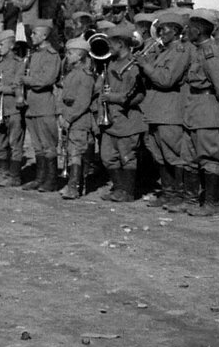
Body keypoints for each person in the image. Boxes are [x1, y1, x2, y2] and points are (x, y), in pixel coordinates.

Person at [136, 11, 190, 209]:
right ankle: (168, 192)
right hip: (156, 109)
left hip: (170, 110)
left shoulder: (180, 52)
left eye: (164, 29)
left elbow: (166, 80)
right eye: (159, 29)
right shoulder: (162, 51)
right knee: (159, 154)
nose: (160, 33)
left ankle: (181, 194)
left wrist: (146, 66)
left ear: (176, 31)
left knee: (174, 154)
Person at [182, 9, 219, 216]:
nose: (187, 31)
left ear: (198, 30)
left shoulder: (210, 54)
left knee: (209, 158)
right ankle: (192, 200)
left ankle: (212, 204)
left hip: (207, 110)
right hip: (194, 109)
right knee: (190, 157)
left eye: (190, 28)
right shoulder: (199, 51)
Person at [96, 24, 146, 202]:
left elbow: (138, 94)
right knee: (108, 156)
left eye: (111, 44)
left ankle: (128, 192)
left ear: (120, 44)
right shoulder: (111, 63)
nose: (108, 47)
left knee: (127, 157)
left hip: (127, 118)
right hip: (110, 119)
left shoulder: (133, 66)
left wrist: (113, 98)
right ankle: (118, 188)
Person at [20, 24, 62, 192]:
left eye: (35, 33)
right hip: (31, 105)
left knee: (48, 144)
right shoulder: (33, 55)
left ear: (45, 36)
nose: (32, 36)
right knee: (37, 145)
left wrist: (27, 80)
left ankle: (51, 180)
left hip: (44, 105)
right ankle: (40, 178)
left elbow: (46, 80)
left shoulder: (52, 55)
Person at [57, 37, 96, 199]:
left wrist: (69, 117)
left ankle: (75, 187)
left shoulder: (85, 76)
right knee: (70, 151)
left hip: (79, 119)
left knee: (76, 153)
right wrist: (61, 114)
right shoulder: (71, 74)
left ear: (80, 56)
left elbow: (83, 101)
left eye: (71, 53)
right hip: (69, 117)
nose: (68, 56)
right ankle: (73, 184)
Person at [0, 29, 26, 186]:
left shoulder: (19, 64)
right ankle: (2, 173)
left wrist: (1, 89)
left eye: (1, 45)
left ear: (11, 45)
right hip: (0, 109)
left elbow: (19, 86)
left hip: (14, 109)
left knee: (15, 143)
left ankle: (14, 177)